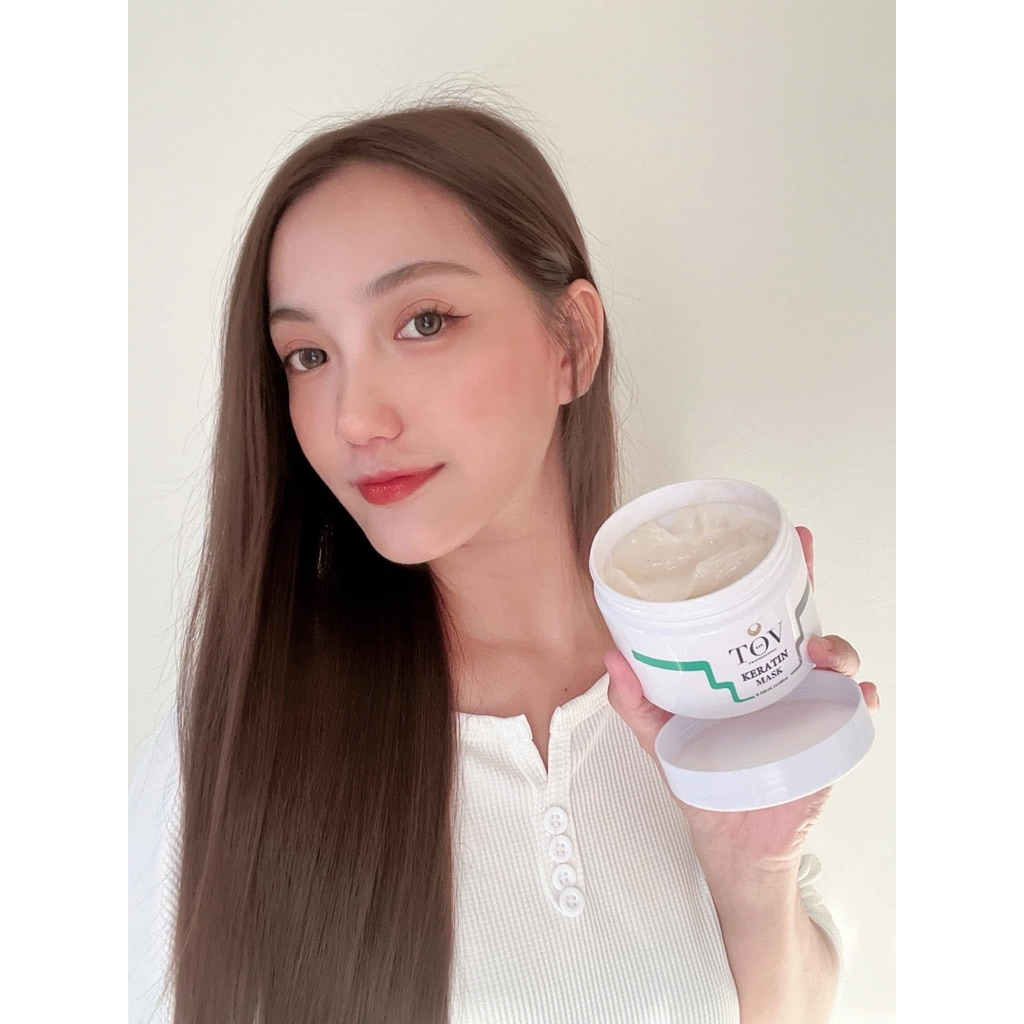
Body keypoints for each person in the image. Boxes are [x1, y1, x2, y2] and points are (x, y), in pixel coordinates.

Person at [128, 96, 881, 1024]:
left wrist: (751, 870)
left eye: (423, 322)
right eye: (309, 355)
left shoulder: (700, 688)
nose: (355, 418)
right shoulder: (235, 742)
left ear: (572, 343)